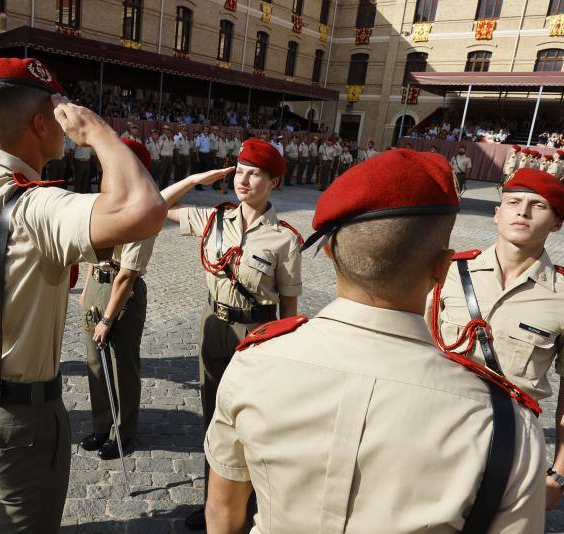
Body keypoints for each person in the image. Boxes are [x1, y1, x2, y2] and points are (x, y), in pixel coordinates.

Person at [205, 149, 545, 533]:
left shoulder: (254, 364)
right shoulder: (507, 426)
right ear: (442, 267)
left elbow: (223, 512)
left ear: (330, 252)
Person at [0, 57, 167, 532]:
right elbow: (144, 208)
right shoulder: (36, 205)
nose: (67, 129)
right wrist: (99, 130)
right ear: (41, 123)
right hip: (19, 420)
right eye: (61, 114)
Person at [161, 139, 303, 530]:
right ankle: (214, 502)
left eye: (255, 173)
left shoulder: (284, 239)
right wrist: (195, 177)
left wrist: (282, 355)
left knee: (250, 422)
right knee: (212, 416)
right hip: (213, 326)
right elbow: (154, 206)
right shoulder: (212, 219)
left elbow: (289, 309)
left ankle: (249, 501)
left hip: (256, 332)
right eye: (240, 170)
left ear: (273, 181)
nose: (244, 179)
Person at [428, 167, 564, 511]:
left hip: (508, 443)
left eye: (539, 205)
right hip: (430, 432)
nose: (523, 211)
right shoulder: (449, 271)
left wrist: (559, 475)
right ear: (496, 213)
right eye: (513, 201)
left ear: (557, 223)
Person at [80, 138, 156, 460]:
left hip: (122, 293)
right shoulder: (102, 203)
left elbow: (127, 275)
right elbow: (91, 251)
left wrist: (108, 318)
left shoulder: (144, 210)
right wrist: (87, 291)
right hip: (97, 286)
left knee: (122, 366)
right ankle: (101, 425)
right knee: (96, 364)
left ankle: (123, 433)